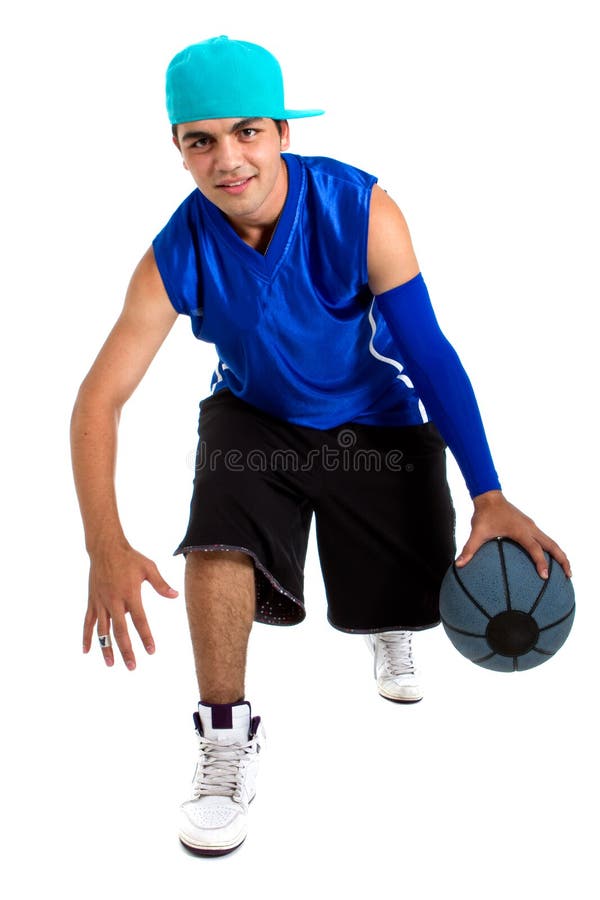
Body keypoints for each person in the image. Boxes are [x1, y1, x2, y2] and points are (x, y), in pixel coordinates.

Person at [70, 35, 571, 857]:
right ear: (179, 149)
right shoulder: (174, 254)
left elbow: (428, 355)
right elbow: (100, 399)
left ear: (282, 131)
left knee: (406, 598)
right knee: (216, 537)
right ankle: (225, 737)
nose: (228, 159)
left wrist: (488, 492)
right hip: (255, 419)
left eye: (247, 131)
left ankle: (387, 621)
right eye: (202, 140)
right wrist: (104, 544)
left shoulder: (362, 209)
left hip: (372, 421)